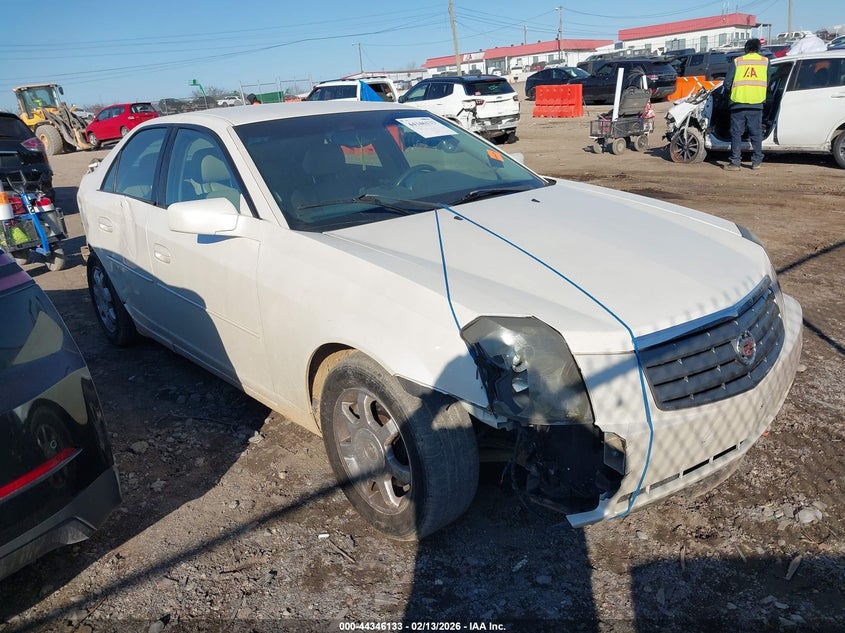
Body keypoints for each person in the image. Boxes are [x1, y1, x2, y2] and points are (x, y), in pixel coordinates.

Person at [721, 38, 769, 171]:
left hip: (738, 103)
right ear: (759, 48)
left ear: (746, 48)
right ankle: (756, 162)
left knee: (736, 133)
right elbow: (768, 81)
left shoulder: (738, 61)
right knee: (756, 133)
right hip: (756, 102)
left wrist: (730, 94)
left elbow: (727, 83)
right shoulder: (765, 62)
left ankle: (735, 162)